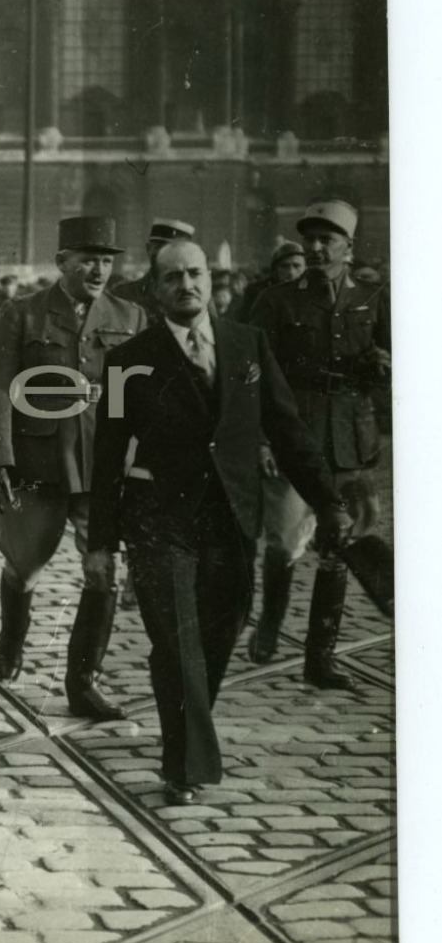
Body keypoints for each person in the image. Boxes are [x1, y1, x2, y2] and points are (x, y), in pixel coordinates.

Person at [89, 240, 350, 804]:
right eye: (173, 277)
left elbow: (287, 431)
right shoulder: (126, 361)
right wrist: (101, 542)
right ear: (155, 290)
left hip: (232, 517)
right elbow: (108, 453)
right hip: (160, 520)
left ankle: (186, 733)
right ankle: (185, 765)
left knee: (220, 633)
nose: (187, 284)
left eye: (196, 273)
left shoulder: (247, 344)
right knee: (177, 644)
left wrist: (328, 502)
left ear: (210, 280)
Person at [0, 215, 147, 720]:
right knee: (24, 562)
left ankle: (82, 681)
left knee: (102, 571)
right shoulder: (23, 314)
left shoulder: (130, 316)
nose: (97, 270)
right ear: (62, 263)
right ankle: (13, 636)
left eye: (105, 260)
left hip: (102, 463)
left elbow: (142, 397)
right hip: (38, 458)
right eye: (86, 260)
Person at [246, 199, 391, 687]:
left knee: (342, 544)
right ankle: (270, 620)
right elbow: (256, 379)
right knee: (284, 541)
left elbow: (397, 360)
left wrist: (384, 364)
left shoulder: (373, 298)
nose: (314, 246)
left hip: (351, 440)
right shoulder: (276, 301)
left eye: (326, 239)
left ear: (349, 247)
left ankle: (320, 658)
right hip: (294, 438)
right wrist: (264, 441)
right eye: (309, 238)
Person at [112, 218, 197, 314]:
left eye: (172, 251)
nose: (164, 256)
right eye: (159, 248)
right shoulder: (123, 294)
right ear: (148, 249)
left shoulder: (195, 296)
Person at [235, 240, 306, 322]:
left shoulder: (313, 293)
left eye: (296, 266)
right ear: (275, 270)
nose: (290, 272)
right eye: (284, 266)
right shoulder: (258, 293)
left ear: (305, 268)